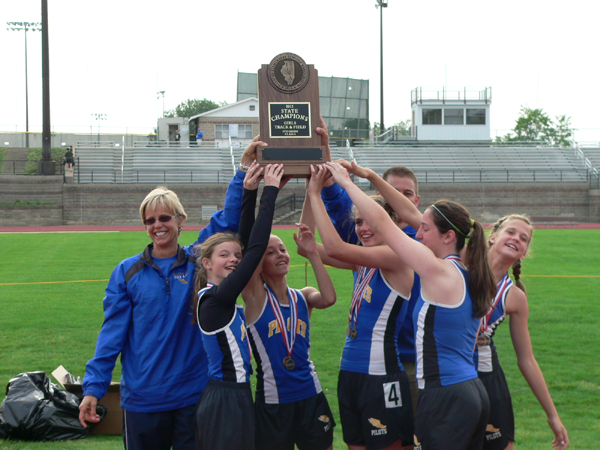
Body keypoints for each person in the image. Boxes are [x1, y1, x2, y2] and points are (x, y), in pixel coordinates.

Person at [78, 138, 264, 450]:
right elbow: (111, 334)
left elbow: (227, 221)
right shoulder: (127, 272)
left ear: (180, 220)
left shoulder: (197, 262)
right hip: (142, 399)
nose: (157, 225)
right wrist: (93, 388)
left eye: (165, 218)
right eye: (150, 220)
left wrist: (243, 168)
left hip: (193, 396)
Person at [323, 160, 495, 450]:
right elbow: (407, 213)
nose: (417, 232)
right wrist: (370, 176)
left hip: (447, 395)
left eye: (424, 229)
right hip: (469, 391)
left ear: (448, 236)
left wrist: (348, 184)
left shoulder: (436, 269)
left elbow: (384, 224)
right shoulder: (465, 265)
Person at [304, 165, 415, 450]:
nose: (363, 229)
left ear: (386, 225)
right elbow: (308, 247)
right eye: (358, 223)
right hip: (349, 372)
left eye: (369, 223)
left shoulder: (397, 258)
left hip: (382, 375)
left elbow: (336, 247)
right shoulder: (362, 262)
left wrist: (317, 194)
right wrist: (308, 190)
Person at [316, 118, 421, 414]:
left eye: (406, 195)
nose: (397, 200)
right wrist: (322, 149)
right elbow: (334, 196)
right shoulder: (366, 238)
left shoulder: (422, 240)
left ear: (415, 200)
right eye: (392, 192)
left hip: (416, 356)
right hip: (367, 361)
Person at [194, 163, 284, 450]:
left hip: (237, 394)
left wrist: (249, 190)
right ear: (207, 263)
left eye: (235, 255)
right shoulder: (215, 299)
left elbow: (246, 244)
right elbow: (255, 250)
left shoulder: (222, 294)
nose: (233, 259)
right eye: (224, 255)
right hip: (225, 398)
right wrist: (269, 191)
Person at [476, 214, 569, 450]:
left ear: (524, 252)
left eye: (523, 238)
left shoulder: (515, 297)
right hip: (446, 377)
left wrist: (552, 415)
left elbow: (526, 360)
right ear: (493, 236)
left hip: (487, 381)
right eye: (511, 232)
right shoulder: (460, 266)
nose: (516, 239)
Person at [241, 221, 337, 450]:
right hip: (274, 402)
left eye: (283, 249)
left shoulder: (303, 296)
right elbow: (251, 253)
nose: (280, 255)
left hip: (310, 395)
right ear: (259, 262)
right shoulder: (255, 299)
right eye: (270, 252)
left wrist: (313, 252)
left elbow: (329, 298)